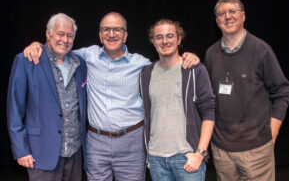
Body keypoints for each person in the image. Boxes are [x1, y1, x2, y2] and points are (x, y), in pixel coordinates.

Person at [23, 12, 200, 181]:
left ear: (125, 35)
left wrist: (188, 57)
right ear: (100, 35)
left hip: (131, 142)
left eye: (117, 29)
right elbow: (58, 48)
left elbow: (168, 64)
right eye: (106, 29)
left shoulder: (142, 64)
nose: (112, 34)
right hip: (96, 143)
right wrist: (37, 45)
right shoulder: (86, 57)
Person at [204, 0, 289, 181]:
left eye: (232, 11)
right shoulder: (211, 54)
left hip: (257, 151)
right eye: (222, 13)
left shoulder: (261, 50)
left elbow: (282, 92)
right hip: (222, 151)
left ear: (243, 16)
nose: (227, 16)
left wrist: (272, 134)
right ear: (217, 21)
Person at [7, 13, 87, 181]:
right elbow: (15, 109)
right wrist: (21, 150)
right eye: (60, 34)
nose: (65, 39)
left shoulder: (80, 64)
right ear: (48, 34)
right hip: (41, 153)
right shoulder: (27, 60)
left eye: (69, 35)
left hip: (74, 153)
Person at [139, 19, 215, 181]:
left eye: (170, 36)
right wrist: (149, 155)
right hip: (156, 159)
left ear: (179, 39)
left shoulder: (195, 70)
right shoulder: (146, 74)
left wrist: (200, 153)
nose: (165, 41)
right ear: (153, 41)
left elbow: (209, 113)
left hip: (187, 158)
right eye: (159, 37)